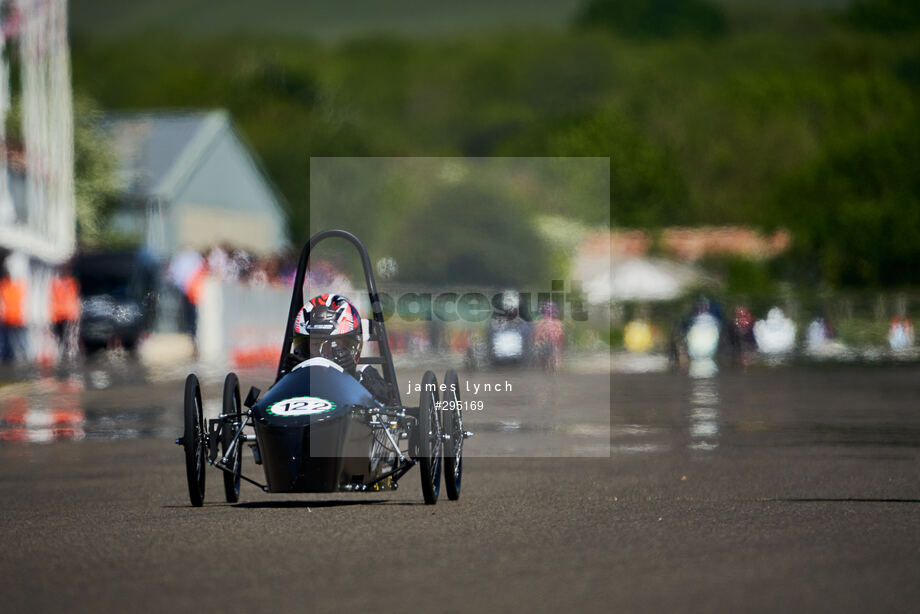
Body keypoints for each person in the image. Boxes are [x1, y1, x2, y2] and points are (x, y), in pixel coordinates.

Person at [288, 293, 391, 402]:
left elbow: (386, 403)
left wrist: (352, 378)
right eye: (316, 345)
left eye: (333, 344)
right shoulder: (296, 385)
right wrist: (289, 379)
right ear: (303, 347)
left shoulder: (369, 380)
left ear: (350, 346)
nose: (325, 353)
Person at [49, 263, 81, 359]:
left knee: (68, 339)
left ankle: (69, 356)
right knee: (62, 338)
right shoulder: (67, 283)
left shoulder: (71, 282)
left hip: (68, 315)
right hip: (60, 315)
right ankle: (65, 356)